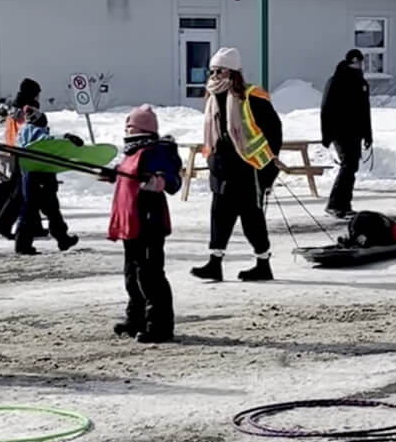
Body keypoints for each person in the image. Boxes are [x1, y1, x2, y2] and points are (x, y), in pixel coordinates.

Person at [190, 46, 283, 283]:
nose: (214, 76)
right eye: (211, 71)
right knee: (219, 216)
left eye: (219, 70)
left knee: (251, 217)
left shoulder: (252, 96)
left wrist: (269, 166)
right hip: (221, 167)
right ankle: (214, 263)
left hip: (247, 166)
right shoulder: (212, 96)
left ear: (232, 72)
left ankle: (263, 263)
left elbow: (274, 130)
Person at [106, 105, 182, 343]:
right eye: (127, 125)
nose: (128, 129)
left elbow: (172, 179)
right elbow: (128, 174)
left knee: (150, 276)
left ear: (145, 130)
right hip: (132, 224)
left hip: (149, 222)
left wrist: (159, 179)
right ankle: (136, 319)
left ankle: (160, 326)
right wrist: (113, 174)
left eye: (132, 126)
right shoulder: (132, 152)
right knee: (132, 275)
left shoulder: (156, 151)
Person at [13, 107, 81, 255]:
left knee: (47, 210)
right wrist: (66, 137)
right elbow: (46, 142)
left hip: (30, 176)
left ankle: (62, 239)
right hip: (40, 176)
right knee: (41, 211)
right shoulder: (34, 130)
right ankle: (23, 245)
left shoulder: (23, 131)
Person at [320, 48, 372, 219]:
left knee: (352, 166)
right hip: (340, 131)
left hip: (355, 132)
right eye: (357, 62)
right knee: (348, 165)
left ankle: (344, 204)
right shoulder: (336, 80)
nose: (359, 65)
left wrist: (367, 134)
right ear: (350, 62)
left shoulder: (361, 82)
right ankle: (335, 204)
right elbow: (326, 108)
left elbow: (365, 111)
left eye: (361, 62)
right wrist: (326, 134)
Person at [0, 77, 43, 239]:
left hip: (13, 151)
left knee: (28, 191)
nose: (38, 98)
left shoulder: (13, 109)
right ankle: (3, 224)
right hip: (26, 153)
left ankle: (34, 226)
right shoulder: (28, 110)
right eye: (37, 94)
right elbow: (31, 131)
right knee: (22, 193)